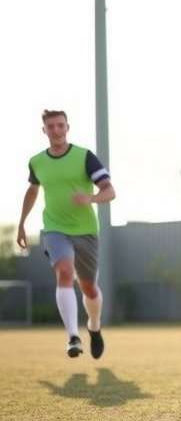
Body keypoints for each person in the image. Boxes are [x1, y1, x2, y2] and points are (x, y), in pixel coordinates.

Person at [17, 109, 116, 359]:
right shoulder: (37, 162)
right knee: (64, 270)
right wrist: (21, 223)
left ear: (67, 128)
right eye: (51, 126)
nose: (56, 130)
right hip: (54, 228)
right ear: (44, 131)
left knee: (89, 289)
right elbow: (32, 190)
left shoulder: (84, 157)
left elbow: (109, 190)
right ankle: (73, 336)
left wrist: (91, 198)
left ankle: (94, 326)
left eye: (60, 125)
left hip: (86, 232)